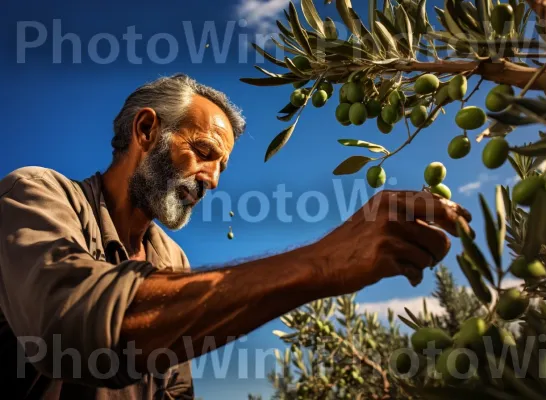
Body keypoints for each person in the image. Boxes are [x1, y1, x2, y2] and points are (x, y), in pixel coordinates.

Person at [0, 73, 472, 399]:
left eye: (222, 166)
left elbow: (175, 390)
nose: (213, 180)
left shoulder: (172, 258)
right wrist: (322, 263)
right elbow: (65, 322)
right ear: (146, 130)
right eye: (204, 153)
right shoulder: (37, 193)